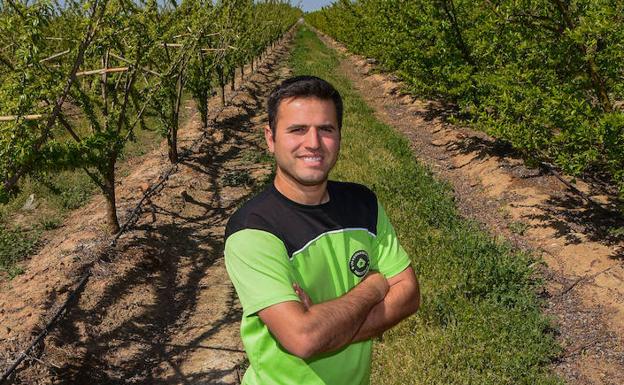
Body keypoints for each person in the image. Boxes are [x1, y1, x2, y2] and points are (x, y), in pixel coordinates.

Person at [224, 75, 420, 385]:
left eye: (326, 130)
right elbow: (304, 339)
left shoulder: (363, 204)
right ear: (270, 139)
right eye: (297, 130)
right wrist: (373, 288)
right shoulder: (253, 230)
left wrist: (330, 327)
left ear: (339, 136)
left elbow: (409, 294)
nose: (313, 143)